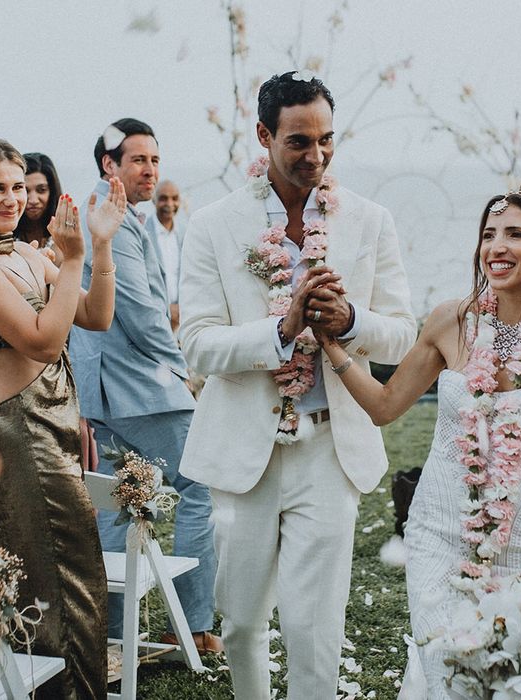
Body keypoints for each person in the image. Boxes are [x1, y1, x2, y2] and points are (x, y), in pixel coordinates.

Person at [318, 178, 521, 699]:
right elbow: (386, 407)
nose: (496, 247)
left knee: (511, 679)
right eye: (489, 233)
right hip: (436, 533)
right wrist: (333, 348)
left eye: (515, 235)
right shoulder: (452, 321)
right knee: (446, 669)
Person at [178, 71, 416, 699]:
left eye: (327, 140)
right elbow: (196, 342)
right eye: (299, 142)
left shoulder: (368, 219)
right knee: (242, 622)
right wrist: (280, 330)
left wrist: (352, 321)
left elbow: (402, 334)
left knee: (316, 626)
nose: (317, 156)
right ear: (264, 135)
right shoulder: (211, 225)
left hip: (330, 449)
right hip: (245, 453)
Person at [69, 119, 221, 653]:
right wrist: (182, 368)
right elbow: (138, 310)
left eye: (155, 159)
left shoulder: (120, 213)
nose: (151, 170)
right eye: (138, 160)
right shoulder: (105, 215)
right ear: (109, 165)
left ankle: (111, 637)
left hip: (107, 390)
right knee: (204, 483)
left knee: (117, 504)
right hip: (144, 385)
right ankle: (195, 626)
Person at [0, 139, 126, 698]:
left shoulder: (26, 254)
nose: (11, 198)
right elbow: (45, 343)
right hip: (19, 433)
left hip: (56, 429)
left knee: (81, 573)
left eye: (17, 187)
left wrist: (98, 244)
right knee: (47, 576)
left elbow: (95, 314)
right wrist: (70, 258)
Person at [148, 179, 184, 332]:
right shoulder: (143, 232)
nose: (170, 204)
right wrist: (167, 309)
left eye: (174, 198)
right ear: (153, 200)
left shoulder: (185, 234)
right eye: (163, 198)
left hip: (182, 317)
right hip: (154, 317)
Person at [13, 152, 63, 256]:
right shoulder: (4, 235)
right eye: (25, 191)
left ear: (52, 191)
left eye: (41, 190)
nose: (33, 200)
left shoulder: (65, 234)